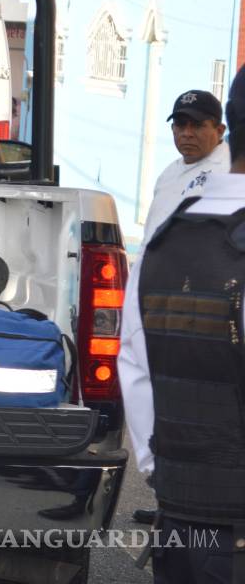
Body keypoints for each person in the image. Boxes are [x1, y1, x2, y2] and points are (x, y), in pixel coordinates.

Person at [119, 66, 245, 584]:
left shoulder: (162, 243)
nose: (186, 132)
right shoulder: (171, 189)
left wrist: (162, 472)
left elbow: (135, 365)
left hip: (180, 513)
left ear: (226, 129)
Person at [126, 89, 229, 526]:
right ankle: (167, 493)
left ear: (219, 130)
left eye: (197, 125)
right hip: (157, 297)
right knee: (154, 395)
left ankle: (191, 501)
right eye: (180, 124)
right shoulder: (170, 172)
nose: (186, 133)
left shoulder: (225, 171)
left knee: (190, 405)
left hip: (193, 304)